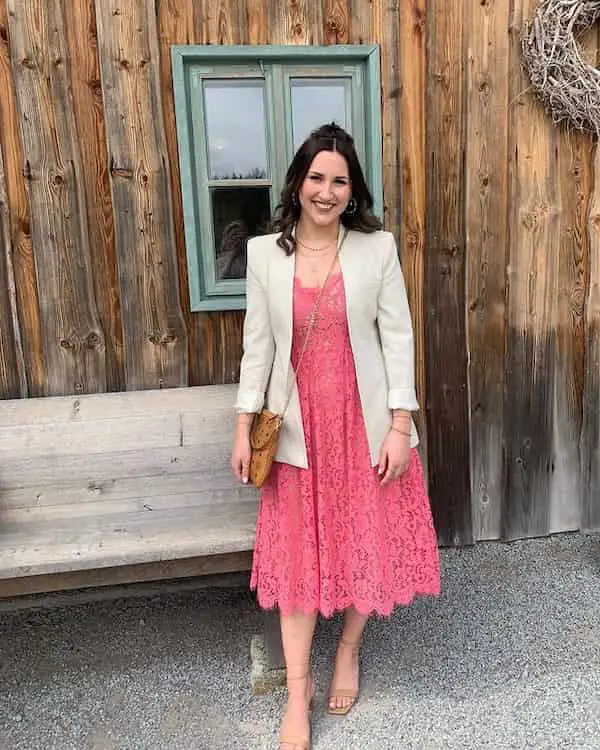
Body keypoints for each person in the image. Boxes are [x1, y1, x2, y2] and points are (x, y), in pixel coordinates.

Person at [231, 123, 440, 750]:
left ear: (353, 191)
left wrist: (401, 425)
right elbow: (257, 349)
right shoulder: (267, 255)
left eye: (339, 181)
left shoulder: (376, 250)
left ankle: (348, 650)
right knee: (296, 562)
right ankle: (297, 695)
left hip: (362, 425)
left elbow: (397, 339)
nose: (326, 191)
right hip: (296, 433)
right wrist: (243, 426)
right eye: (316, 177)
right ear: (298, 183)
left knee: (362, 542)